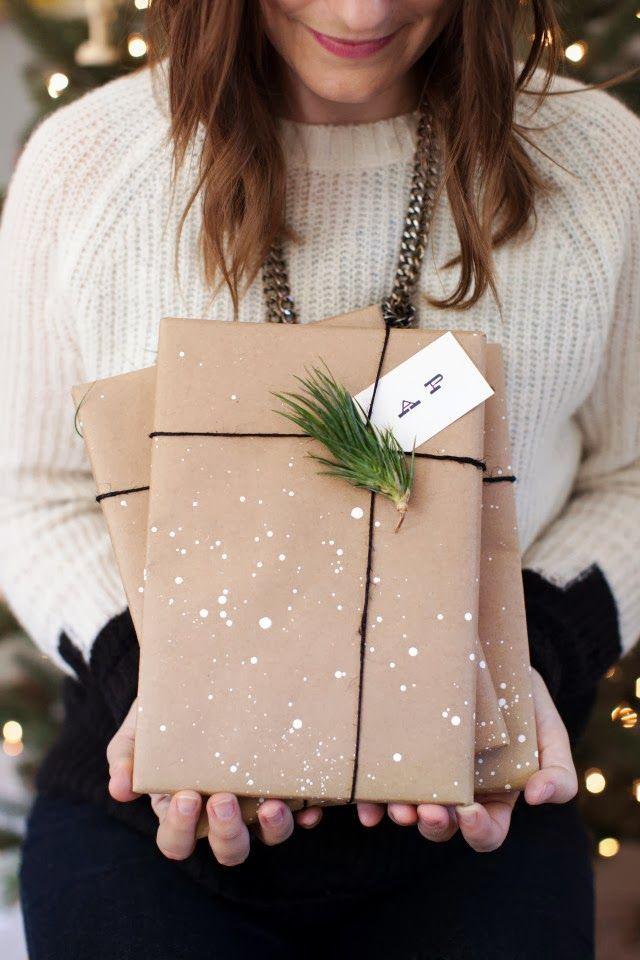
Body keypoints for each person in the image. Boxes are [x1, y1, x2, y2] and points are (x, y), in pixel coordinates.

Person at [1, 1, 639, 957]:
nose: (361, 12)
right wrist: (167, 683)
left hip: (476, 826)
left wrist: (523, 659)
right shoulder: (89, 163)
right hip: (151, 841)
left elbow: (632, 474)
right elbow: (30, 490)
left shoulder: (602, 162)